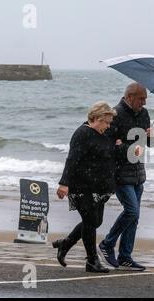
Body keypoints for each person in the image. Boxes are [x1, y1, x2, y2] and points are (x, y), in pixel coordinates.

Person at [98, 82, 154, 271]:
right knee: (131, 211)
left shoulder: (144, 114)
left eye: (146, 99)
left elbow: (150, 144)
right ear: (130, 96)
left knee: (135, 216)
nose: (144, 103)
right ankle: (107, 244)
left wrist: (153, 135)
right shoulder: (115, 114)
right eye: (142, 99)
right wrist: (126, 147)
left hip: (138, 173)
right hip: (120, 173)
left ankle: (125, 256)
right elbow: (108, 146)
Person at [52, 101, 117, 273]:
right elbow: (72, 159)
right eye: (106, 122)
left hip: (98, 186)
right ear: (96, 118)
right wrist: (64, 183)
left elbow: (107, 153)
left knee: (96, 221)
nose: (109, 126)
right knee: (90, 222)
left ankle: (66, 243)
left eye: (110, 123)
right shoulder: (82, 133)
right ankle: (92, 261)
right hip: (80, 185)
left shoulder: (102, 133)